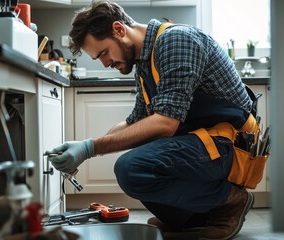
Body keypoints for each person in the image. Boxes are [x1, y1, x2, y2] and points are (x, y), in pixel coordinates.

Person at [46, 1, 256, 239]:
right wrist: (85, 146)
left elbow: (166, 124)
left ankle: (230, 201)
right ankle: (191, 218)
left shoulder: (175, 40)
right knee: (138, 149)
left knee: (131, 167)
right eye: (99, 59)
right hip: (204, 144)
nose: (105, 63)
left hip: (229, 146)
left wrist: (91, 147)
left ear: (119, 29)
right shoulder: (145, 64)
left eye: (104, 53)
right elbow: (135, 123)